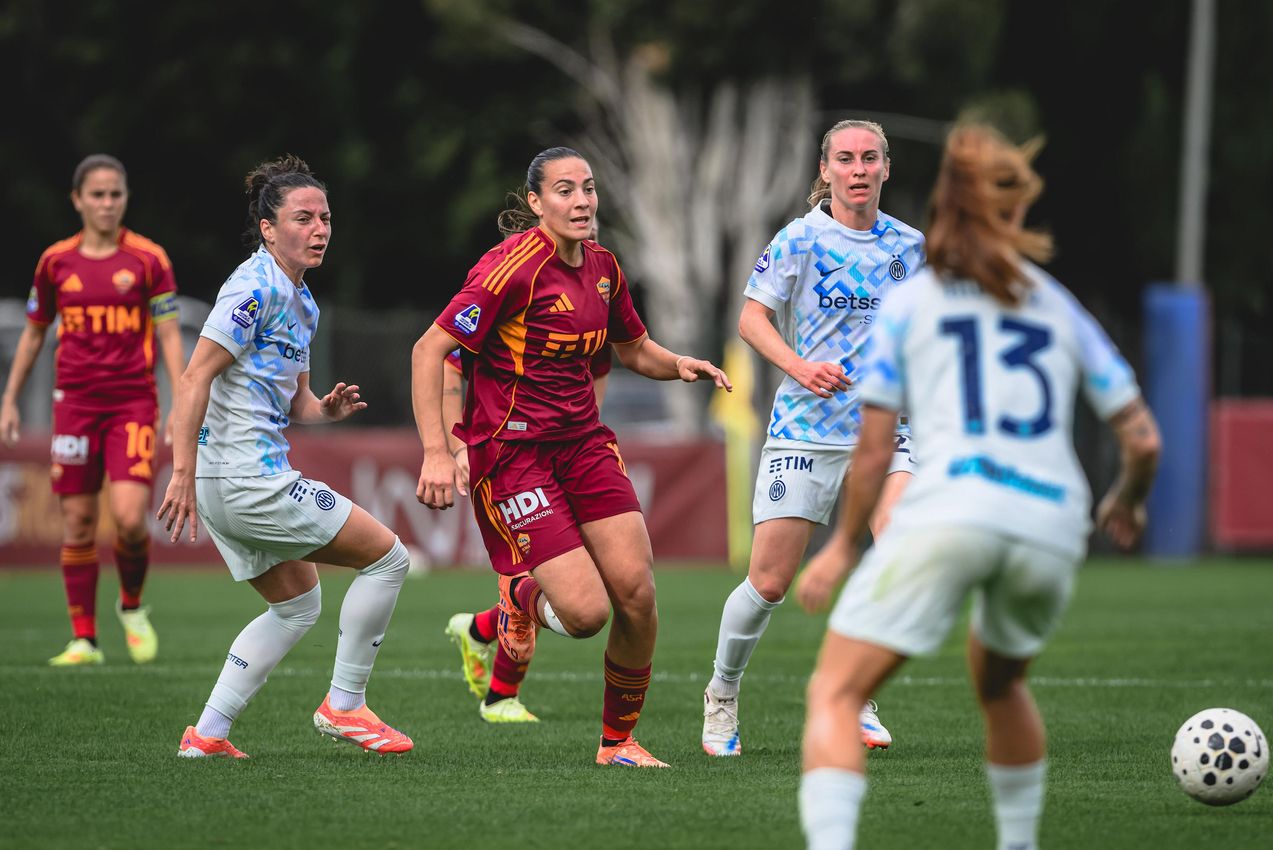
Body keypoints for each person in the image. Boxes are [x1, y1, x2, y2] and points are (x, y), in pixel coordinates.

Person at [795, 125, 1161, 850]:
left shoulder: (911, 302)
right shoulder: (1054, 303)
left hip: (951, 510)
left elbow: (872, 454)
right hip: (1051, 523)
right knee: (1000, 685)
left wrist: (840, 550)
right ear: (1015, 214)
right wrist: (1125, 498)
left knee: (834, 694)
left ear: (939, 212)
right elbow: (1142, 438)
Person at [413, 146, 731, 767]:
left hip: (584, 445)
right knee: (585, 615)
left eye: (588, 188)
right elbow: (431, 351)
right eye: (564, 190)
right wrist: (436, 450)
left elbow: (634, 349)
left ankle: (618, 744)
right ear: (535, 203)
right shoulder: (510, 270)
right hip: (512, 455)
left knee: (637, 595)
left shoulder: (605, 267)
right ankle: (515, 602)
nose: (582, 201)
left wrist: (678, 365)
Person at [158, 155, 414, 758]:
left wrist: (326, 409)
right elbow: (193, 380)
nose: (319, 228)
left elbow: (296, 402)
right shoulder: (254, 288)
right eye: (303, 218)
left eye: (325, 217)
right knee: (389, 559)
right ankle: (344, 706)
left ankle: (207, 736)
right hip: (247, 478)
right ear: (268, 229)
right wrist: (179, 474)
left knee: (298, 603)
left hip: (233, 481)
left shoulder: (302, 303)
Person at [701, 120, 925, 757]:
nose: (858, 169)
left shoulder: (913, 248)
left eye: (870, 158)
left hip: (888, 430)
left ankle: (853, 692)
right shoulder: (799, 239)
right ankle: (721, 693)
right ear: (825, 171)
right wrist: (799, 367)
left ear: (886, 167)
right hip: (806, 430)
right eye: (845, 159)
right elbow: (751, 318)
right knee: (769, 583)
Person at [1, 154, 184, 667]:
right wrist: (9, 399)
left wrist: (179, 401)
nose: (107, 203)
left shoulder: (148, 259)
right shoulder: (55, 262)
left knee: (128, 520)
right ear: (77, 200)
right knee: (78, 523)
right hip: (75, 404)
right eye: (97, 194)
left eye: (115, 194)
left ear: (125, 199)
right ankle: (84, 638)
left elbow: (169, 334)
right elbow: (35, 334)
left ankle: (131, 606)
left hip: (131, 402)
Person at [443, 346, 612, 724]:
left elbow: (599, 368)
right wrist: (455, 447)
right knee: (543, 580)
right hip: (510, 455)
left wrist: (586, 435)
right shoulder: (508, 291)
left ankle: (479, 630)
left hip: (570, 455)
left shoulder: (597, 297)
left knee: (569, 583)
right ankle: (501, 695)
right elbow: (445, 359)